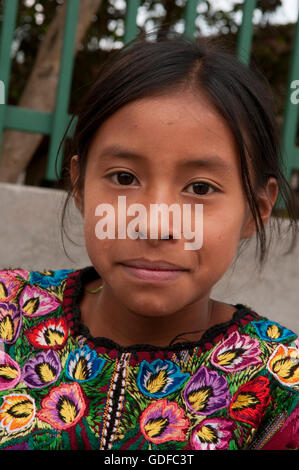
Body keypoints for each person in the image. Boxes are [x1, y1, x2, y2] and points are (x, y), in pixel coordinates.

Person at [0, 32, 298, 451]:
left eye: (200, 187)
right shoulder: (9, 312)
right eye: (124, 178)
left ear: (256, 210)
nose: (155, 224)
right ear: (81, 185)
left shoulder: (281, 384)